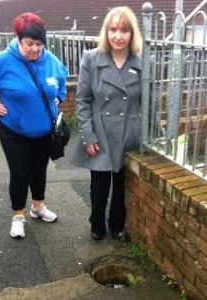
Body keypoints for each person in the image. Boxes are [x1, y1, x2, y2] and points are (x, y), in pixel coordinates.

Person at [0, 12, 68, 239]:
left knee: (40, 171)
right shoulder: (2, 61)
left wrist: (59, 96)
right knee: (21, 172)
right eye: (29, 44)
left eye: (39, 44)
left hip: (45, 130)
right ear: (19, 39)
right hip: (14, 130)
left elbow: (62, 77)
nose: (35, 49)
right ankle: (18, 216)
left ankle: (38, 208)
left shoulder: (51, 60)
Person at [71, 6, 142, 240]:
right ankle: (97, 224)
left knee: (122, 185)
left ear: (132, 34)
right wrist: (88, 136)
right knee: (99, 187)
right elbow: (82, 100)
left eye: (124, 30)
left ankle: (117, 224)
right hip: (100, 132)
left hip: (128, 133)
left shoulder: (141, 62)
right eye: (113, 29)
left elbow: (148, 104)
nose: (118, 36)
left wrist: (156, 136)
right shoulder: (91, 59)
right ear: (106, 32)